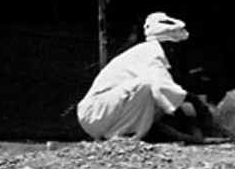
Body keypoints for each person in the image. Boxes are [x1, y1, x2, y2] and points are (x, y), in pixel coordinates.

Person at [77, 12, 213, 143]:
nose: (177, 52)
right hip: (95, 113)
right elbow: (163, 87)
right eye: (176, 47)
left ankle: (124, 133)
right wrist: (195, 101)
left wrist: (192, 136)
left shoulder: (153, 56)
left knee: (160, 98)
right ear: (170, 46)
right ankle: (121, 135)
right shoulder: (153, 55)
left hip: (103, 115)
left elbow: (169, 99)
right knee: (149, 86)